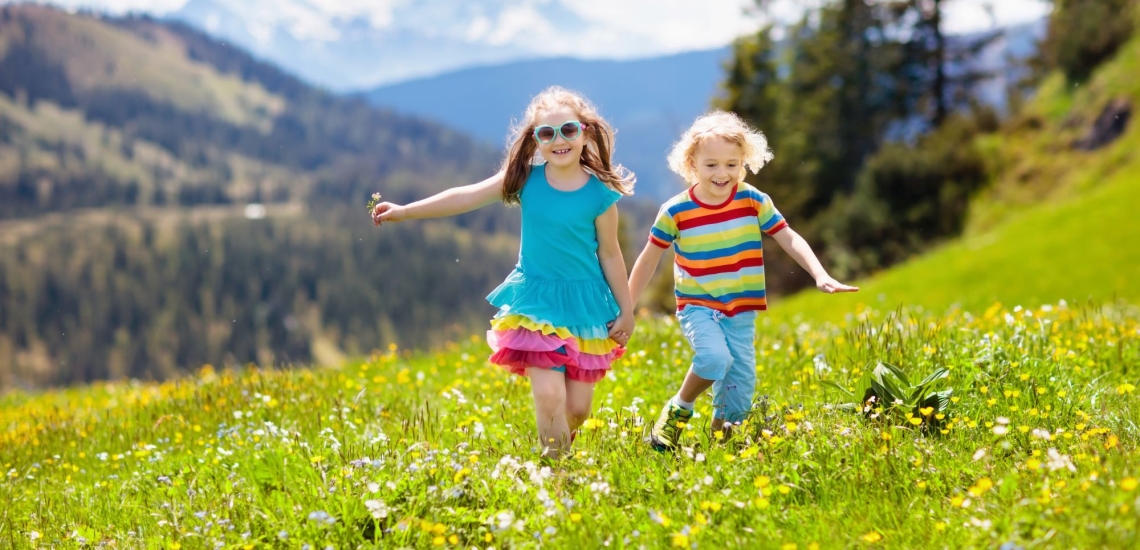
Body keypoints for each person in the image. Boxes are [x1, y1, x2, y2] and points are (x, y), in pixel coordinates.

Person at [371, 86, 635, 458]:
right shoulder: (526, 180)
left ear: (586, 132)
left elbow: (610, 253)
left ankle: (560, 442)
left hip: (586, 304)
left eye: (569, 130)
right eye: (547, 133)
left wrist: (626, 310)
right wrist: (404, 210)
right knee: (548, 395)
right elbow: (464, 196)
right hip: (536, 303)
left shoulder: (600, 195)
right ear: (535, 140)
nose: (559, 141)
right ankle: (557, 474)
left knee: (577, 410)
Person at [627, 110, 858, 451]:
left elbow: (788, 236)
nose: (723, 174)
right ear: (692, 164)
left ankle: (721, 447)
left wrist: (819, 273)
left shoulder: (753, 200)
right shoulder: (675, 211)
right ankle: (679, 409)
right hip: (698, 305)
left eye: (732, 164)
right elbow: (648, 259)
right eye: (712, 165)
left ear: (744, 163)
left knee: (739, 387)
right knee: (714, 359)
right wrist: (627, 308)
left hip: (741, 309)